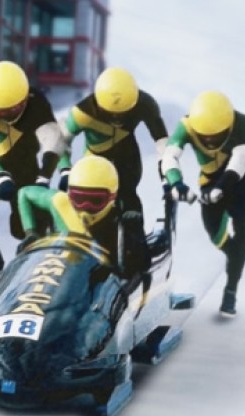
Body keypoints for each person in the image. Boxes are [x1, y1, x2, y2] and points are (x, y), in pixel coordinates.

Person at [59, 67, 169, 272]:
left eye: (123, 113)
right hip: (94, 165)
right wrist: (65, 170)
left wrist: (167, 175)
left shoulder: (145, 104)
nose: (117, 118)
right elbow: (60, 142)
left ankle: (136, 255)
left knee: (129, 201)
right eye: (111, 113)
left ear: (134, 101)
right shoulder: (82, 112)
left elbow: (162, 143)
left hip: (126, 161)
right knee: (90, 208)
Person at [161, 90, 245, 317]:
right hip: (210, 184)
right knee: (215, 234)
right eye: (204, 136)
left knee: (242, 228)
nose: (210, 140)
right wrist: (177, 183)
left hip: (239, 183)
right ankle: (235, 257)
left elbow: (240, 159)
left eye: (217, 135)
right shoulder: (187, 125)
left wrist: (220, 188)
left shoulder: (243, 122)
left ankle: (231, 287)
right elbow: (170, 155)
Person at [0, 60, 66, 275]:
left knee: (25, 228)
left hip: (26, 168)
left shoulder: (36, 100)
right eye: (1, 112)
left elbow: (52, 137)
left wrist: (45, 175)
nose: (10, 115)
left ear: (25, 98)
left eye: (16, 108)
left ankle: (46, 263)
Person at [17, 155, 146, 280]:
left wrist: (135, 237)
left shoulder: (120, 224)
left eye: (95, 200)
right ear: (70, 194)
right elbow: (24, 193)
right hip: (56, 271)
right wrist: (31, 233)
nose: (85, 208)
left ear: (112, 198)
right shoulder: (61, 202)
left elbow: (140, 266)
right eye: (79, 199)